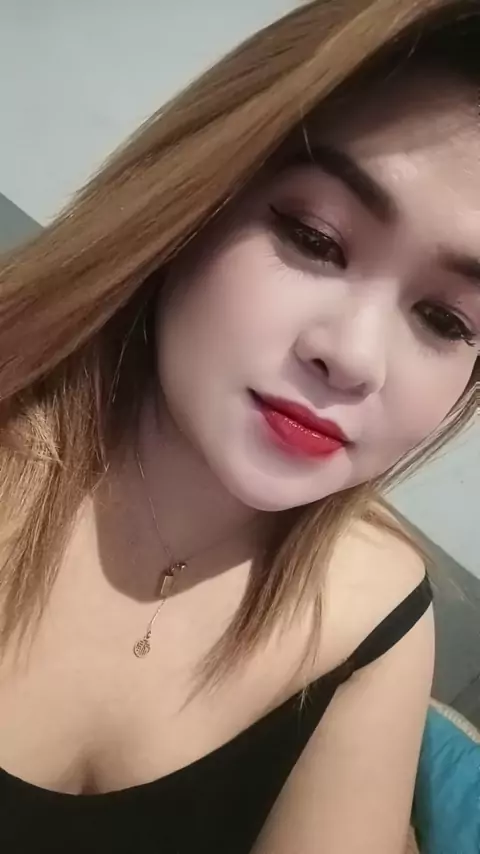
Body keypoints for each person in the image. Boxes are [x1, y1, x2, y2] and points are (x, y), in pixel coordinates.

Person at [0, 0, 478, 851]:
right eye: (315, 238)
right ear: (194, 198)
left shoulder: (374, 609)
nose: (354, 357)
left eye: (445, 319)